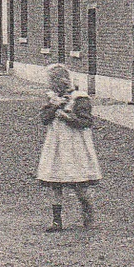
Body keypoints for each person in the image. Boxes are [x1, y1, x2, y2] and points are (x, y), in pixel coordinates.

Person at [37, 63, 101, 231]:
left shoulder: (80, 98)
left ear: (61, 81)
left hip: (75, 146)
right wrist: (56, 106)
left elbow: (86, 122)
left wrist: (67, 117)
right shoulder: (52, 98)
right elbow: (44, 118)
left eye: (51, 81)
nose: (49, 85)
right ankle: (57, 221)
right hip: (57, 146)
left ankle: (89, 216)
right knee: (55, 183)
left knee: (80, 184)